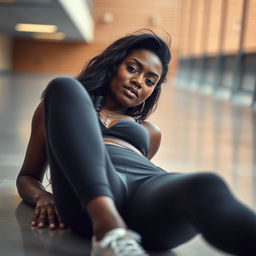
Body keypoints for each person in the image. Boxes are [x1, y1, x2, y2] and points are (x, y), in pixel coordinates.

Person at [16, 30, 256, 256]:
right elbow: (27, 176)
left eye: (150, 81)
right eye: (132, 68)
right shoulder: (64, 106)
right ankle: (109, 229)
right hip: (90, 195)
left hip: (146, 193)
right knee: (63, 85)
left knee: (206, 184)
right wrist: (43, 197)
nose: (139, 81)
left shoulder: (150, 132)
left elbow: (139, 176)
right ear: (113, 65)